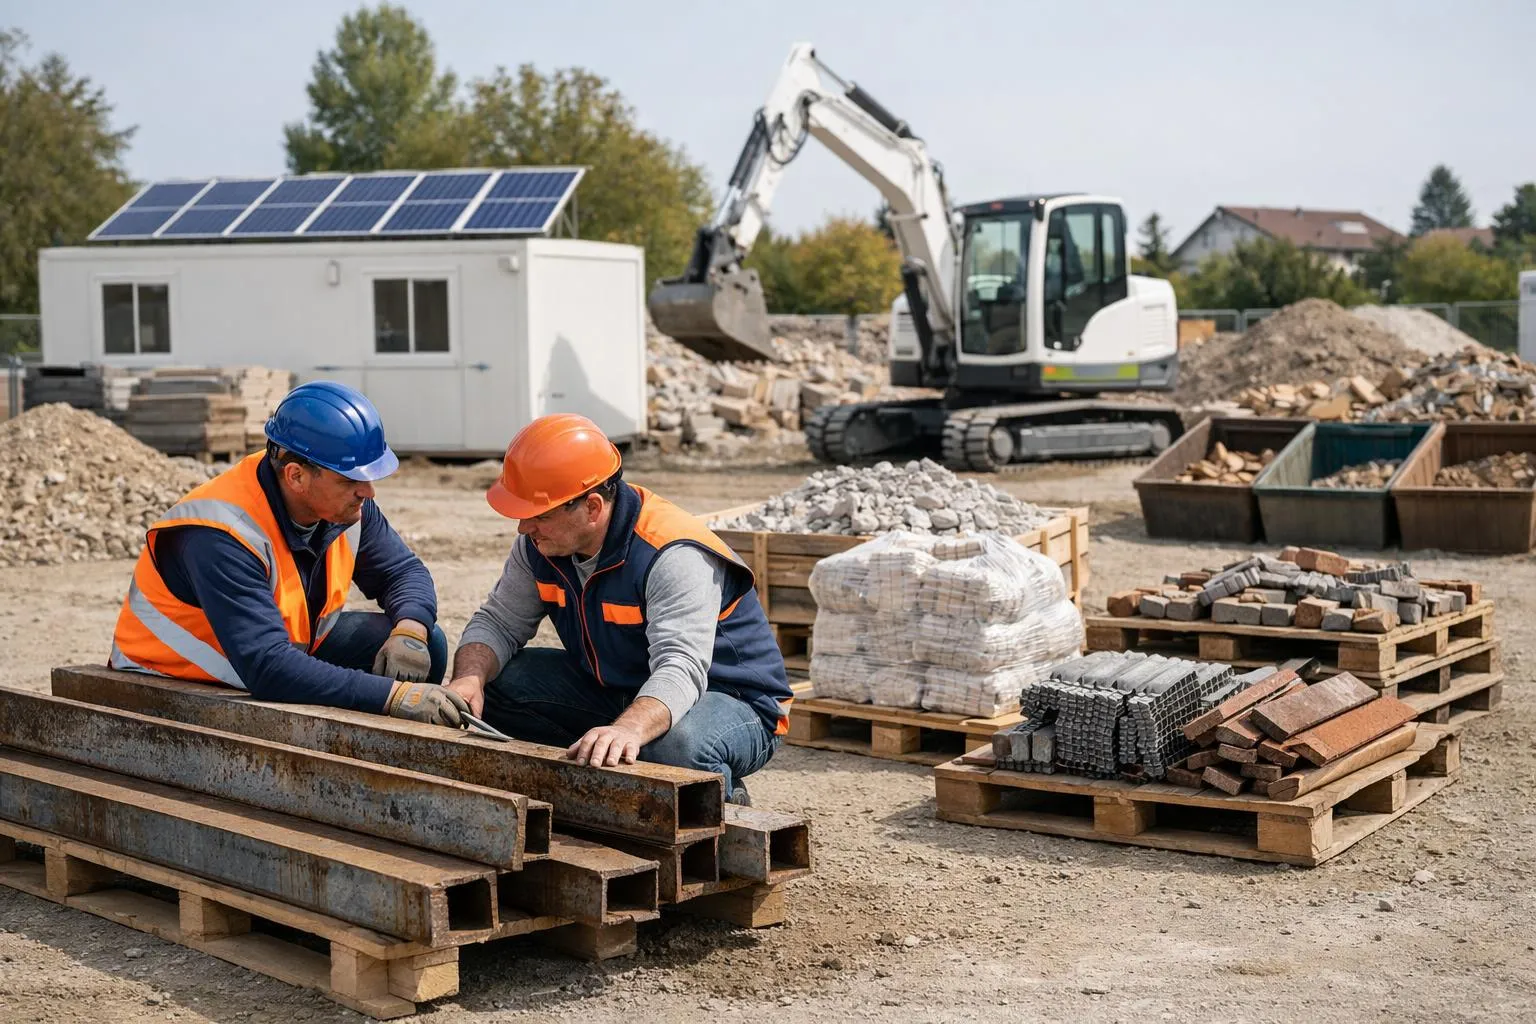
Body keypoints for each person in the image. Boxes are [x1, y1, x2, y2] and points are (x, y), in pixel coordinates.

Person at [445, 413, 793, 804]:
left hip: (731, 699)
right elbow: (499, 622)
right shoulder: (541, 544)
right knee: (494, 687)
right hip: (621, 688)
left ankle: (724, 797)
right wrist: (469, 679)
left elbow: (680, 667)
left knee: (673, 747)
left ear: (592, 507)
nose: (524, 527)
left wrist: (628, 730)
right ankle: (599, 783)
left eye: (540, 515)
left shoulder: (670, 553)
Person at [109, 380, 470, 726]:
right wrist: (392, 696)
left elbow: (402, 572)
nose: (368, 491)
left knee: (426, 645)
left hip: (271, 657)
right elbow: (267, 667)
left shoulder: (344, 505)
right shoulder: (221, 532)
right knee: (388, 691)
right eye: (351, 480)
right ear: (296, 476)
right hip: (169, 684)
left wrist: (410, 630)